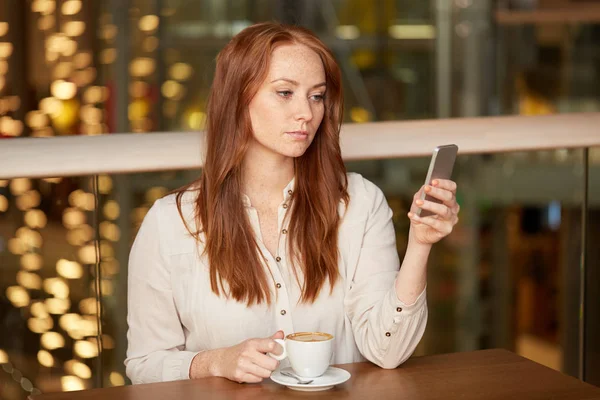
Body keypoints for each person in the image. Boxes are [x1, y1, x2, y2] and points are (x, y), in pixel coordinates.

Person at [124, 22, 459, 385]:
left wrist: (420, 245)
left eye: (317, 96)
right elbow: (143, 365)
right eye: (285, 93)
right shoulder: (170, 222)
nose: (306, 113)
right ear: (238, 97)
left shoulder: (360, 203)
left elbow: (387, 351)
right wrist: (215, 362)